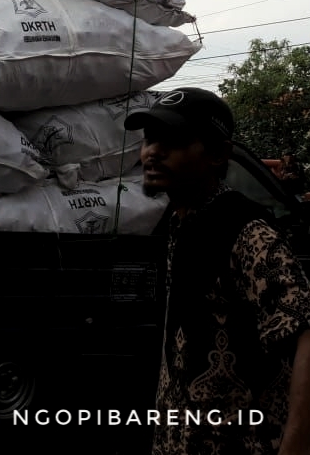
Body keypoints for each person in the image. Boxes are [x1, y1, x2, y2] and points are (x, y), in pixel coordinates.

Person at [123, 87, 310, 455]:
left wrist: (297, 445)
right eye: (150, 139)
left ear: (218, 154)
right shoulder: (179, 223)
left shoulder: (247, 232)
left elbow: (305, 328)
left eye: (173, 141)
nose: (152, 152)